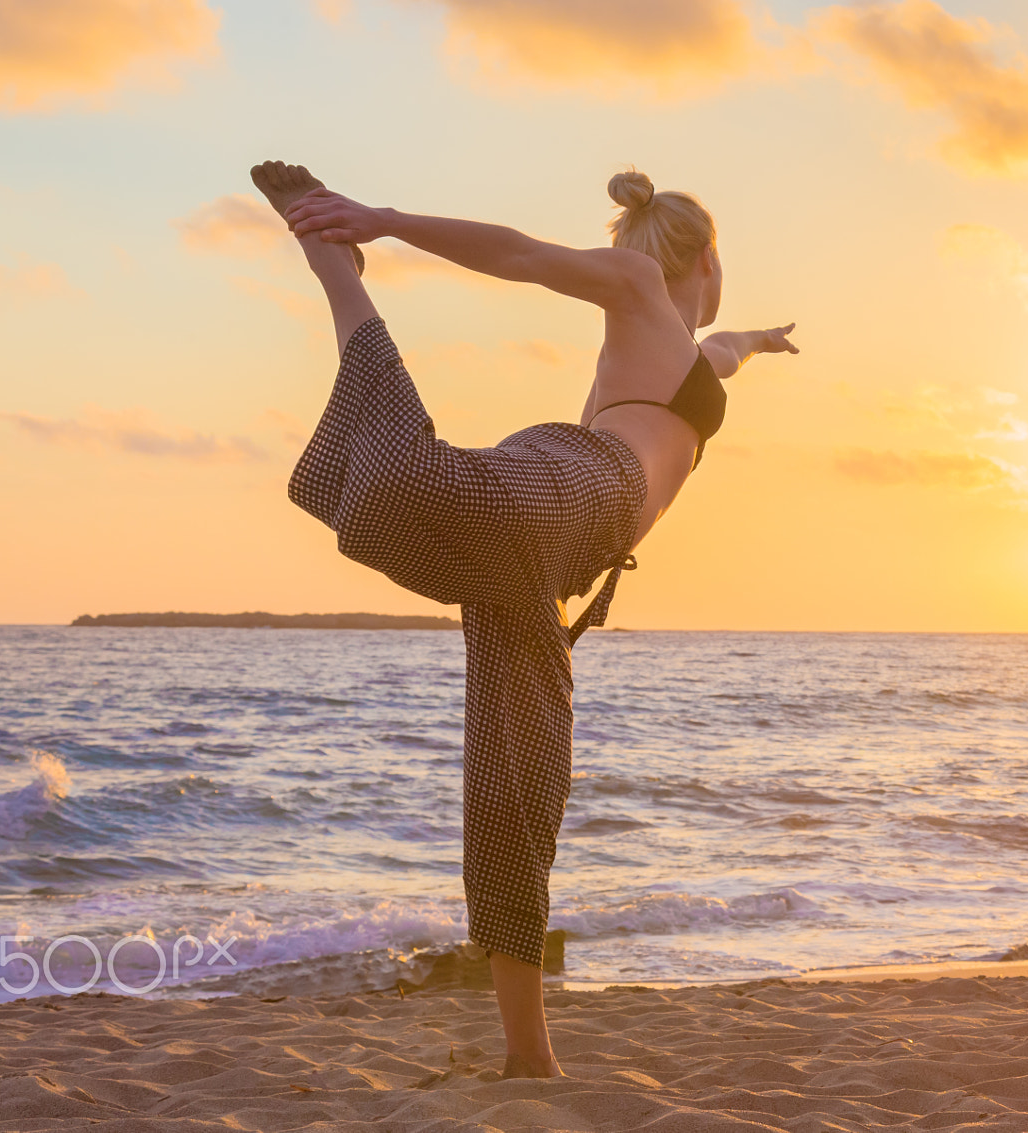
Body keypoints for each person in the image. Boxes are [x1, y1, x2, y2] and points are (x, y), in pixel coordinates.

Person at [250, 160, 796, 1078]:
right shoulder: (637, 287)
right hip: (571, 488)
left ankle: (528, 1055)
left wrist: (763, 337)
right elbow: (519, 255)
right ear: (706, 253)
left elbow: (727, 346)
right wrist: (382, 218)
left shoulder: (684, 350)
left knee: (517, 794)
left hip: (545, 567)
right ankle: (339, 272)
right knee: (398, 482)